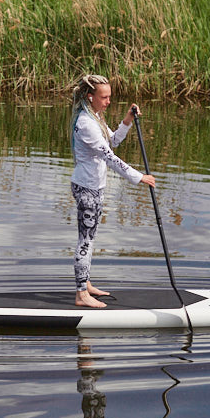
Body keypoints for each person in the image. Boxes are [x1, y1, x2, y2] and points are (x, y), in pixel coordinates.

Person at [69, 74, 158, 309]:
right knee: (85, 241)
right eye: (104, 97)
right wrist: (139, 177)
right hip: (86, 188)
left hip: (95, 186)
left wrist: (127, 120)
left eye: (109, 97)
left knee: (90, 238)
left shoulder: (95, 117)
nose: (108, 101)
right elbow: (110, 157)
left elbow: (113, 141)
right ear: (90, 97)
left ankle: (85, 283)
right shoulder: (86, 124)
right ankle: (81, 294)